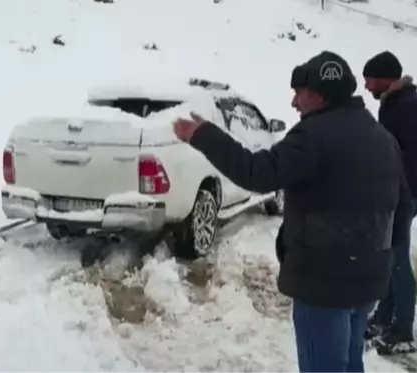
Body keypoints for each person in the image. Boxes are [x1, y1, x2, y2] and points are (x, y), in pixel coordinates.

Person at [173, 51, 410, 373]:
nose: (294, 102)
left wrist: (204, 135)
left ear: (319, 95)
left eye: (299, 93)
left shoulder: (313, 136)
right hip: (369, 279)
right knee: (350, 363)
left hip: (323, 280)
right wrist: (380, 255)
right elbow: (403, 207)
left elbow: (257, 173)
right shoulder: (382, 137)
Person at [362, 50, 417, 355]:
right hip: (396, 193)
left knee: (396, 259)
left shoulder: (408, 106)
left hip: (405, 195)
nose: (368, 86)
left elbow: (409, 158)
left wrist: (397, 193)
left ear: (386, 77)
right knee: (389, 256)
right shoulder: (395, 103)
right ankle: (385, 317)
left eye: (370, 79)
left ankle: (403, 329)